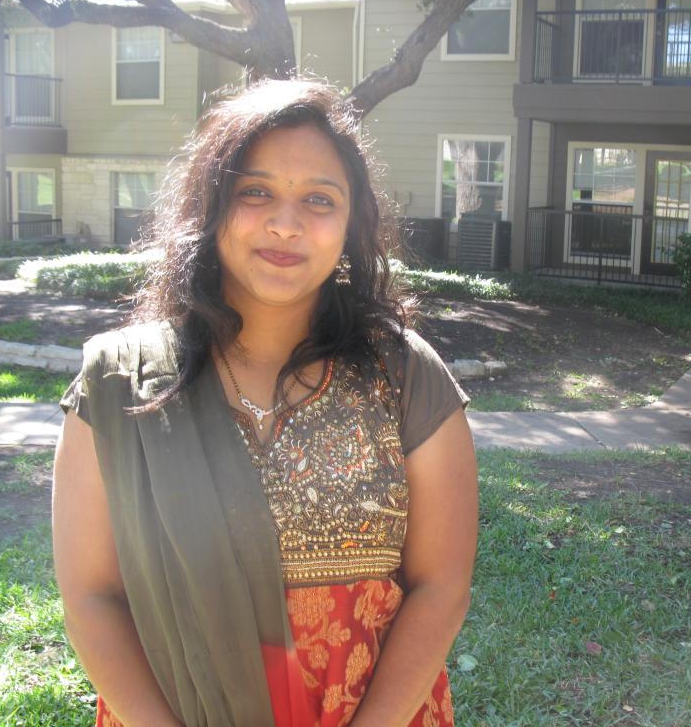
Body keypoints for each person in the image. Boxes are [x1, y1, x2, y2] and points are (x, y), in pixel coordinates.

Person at [52, 78, 478, 727]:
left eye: (319, 199)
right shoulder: (120, 384)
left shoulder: (405, 377)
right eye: (255, 191)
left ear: (351, 227)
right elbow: (92, 597)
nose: (286, 223)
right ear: (211, 206)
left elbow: (440, 586)